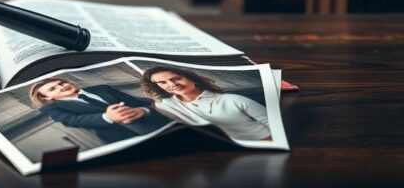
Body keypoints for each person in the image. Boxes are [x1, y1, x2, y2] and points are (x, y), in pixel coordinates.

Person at [141, 66, 272, 141]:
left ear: (192, 78)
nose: (172, 85)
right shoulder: (166, 104)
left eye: (176, 78)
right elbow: (150, 112)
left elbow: (275, 125)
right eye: (162, 83)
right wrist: (141, 111)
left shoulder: (233, 99)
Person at [29, 78, 170, 144]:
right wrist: (107, 117)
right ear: (46, 97)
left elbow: (137, 102)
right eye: (52, 89)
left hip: (154, 124)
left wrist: (143, 110)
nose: (61, 87)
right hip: (120, 136)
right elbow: (72, 120)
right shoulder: (51, 108)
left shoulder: (101, 88)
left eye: (61, 83)